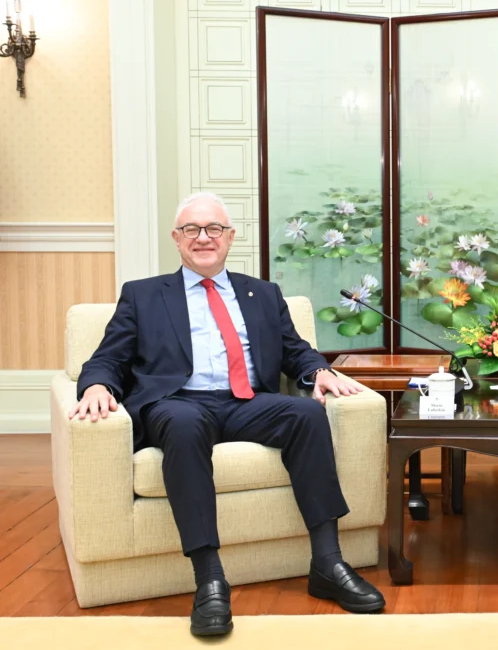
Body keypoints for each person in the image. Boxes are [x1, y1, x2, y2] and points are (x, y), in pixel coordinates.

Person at [69, 191, 385, 636]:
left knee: (307, 415)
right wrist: (97, 384)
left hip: (245, 402)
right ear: (177, 239)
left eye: (214, 228)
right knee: (183, 425)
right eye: (192, 229)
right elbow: (108, 357)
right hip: (178, 402)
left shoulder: (263, 293)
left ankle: (328, 564)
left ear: (230, 237)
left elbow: (295, 350)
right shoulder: (143, 295)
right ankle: (210, 580)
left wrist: (318, 371)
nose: (203, 237)